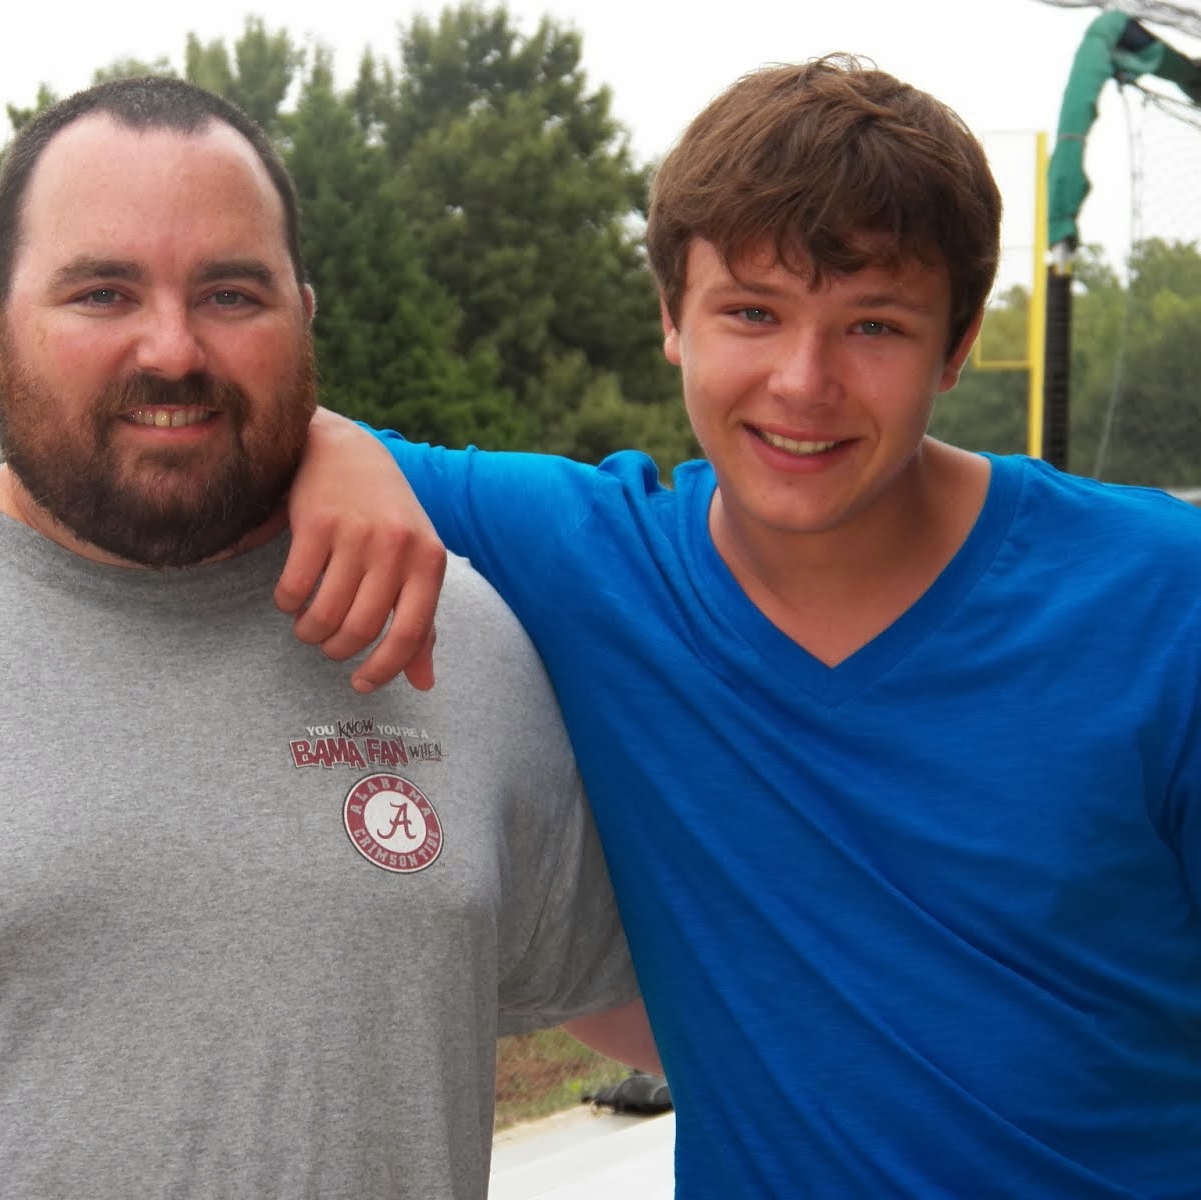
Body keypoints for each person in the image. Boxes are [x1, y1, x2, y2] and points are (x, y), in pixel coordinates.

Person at [0, 77, 653, 1200]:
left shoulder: (450, 641)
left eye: (231, 294)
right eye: (102, 292)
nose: (171, 348)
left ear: (305, 318)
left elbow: (677, 1009)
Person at [286, 55, 1201, 1196]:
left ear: (959, 343)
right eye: (751, 314)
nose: (801, 382)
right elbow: (257, 425)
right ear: (672, 319)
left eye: (872, 325)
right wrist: (331, 449)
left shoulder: (1165, 600)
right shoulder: (600, 563)